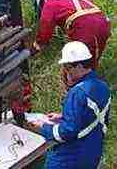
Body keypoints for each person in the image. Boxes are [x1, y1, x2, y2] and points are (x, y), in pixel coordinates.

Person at [38, 41, 110, 169]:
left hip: (70, 158)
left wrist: (44, 127)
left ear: (80, 66)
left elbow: (67, 132)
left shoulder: (78, 93)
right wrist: (62, 116)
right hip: (93, 151)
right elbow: (93, 116)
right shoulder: (103, 87)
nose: (66, 72)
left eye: (68, 67)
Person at [31, 0, 111, 71]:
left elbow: (45, 30)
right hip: (103, 22)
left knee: (78, 66)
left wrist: (35, 48)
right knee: (92, 62)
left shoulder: (49, 3)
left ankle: (83, 82)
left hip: (85, 25)